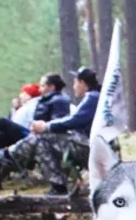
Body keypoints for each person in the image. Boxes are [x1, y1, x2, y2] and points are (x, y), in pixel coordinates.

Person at [15, 67, 101, 195]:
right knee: (41, 141)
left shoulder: (92, 97)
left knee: (41, 138)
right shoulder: (95, 96)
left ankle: (14, 155)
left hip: (89, 147)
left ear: (82, 83)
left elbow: (74, 120)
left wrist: (46, 126)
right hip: (91, 146)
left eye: (75, 82)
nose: (74, 86)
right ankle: (58, 185)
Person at [0, 74, 71, 191]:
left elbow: (56, 122)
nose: (39, 89)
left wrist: (41, 126)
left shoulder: (58, 100)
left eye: (42, 86)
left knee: (2, 122)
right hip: (35, 135)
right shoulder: (49, 99)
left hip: (38, 137)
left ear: (51, 87)